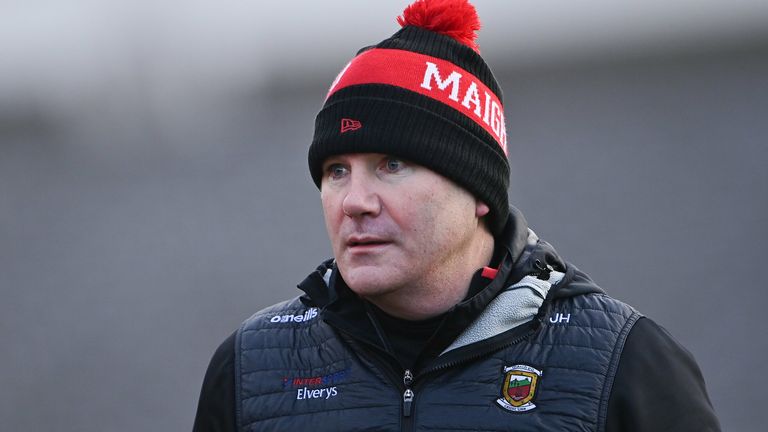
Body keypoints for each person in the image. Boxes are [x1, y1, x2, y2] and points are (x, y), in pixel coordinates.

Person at [193, 0, 721, 430]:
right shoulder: (251, 369)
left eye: (391, 165)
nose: (355, 201)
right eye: (336, 171)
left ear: (478, 192)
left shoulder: (622, 363)